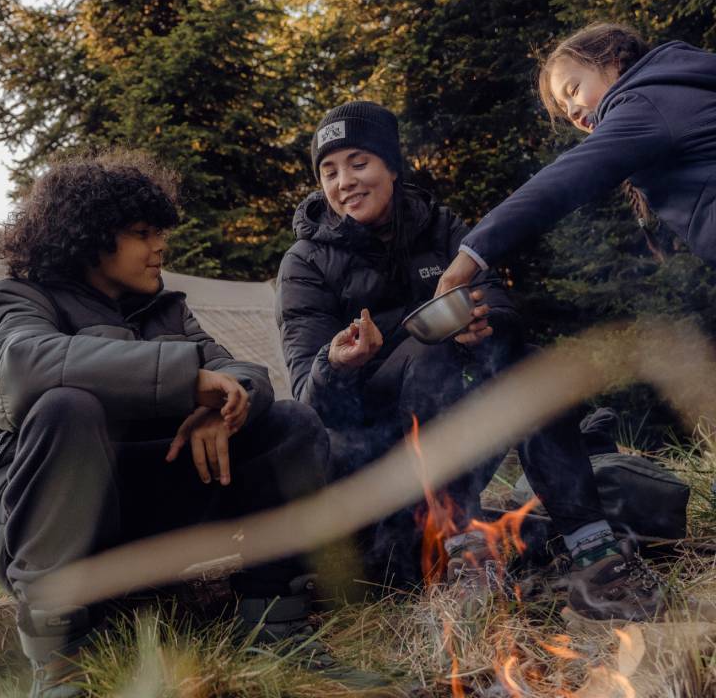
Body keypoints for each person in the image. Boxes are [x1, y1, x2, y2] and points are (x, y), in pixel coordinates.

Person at [0, 152, 384, 696]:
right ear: (88, 237)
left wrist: (221, 409)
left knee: (292, 424)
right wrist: (188, 381)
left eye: (159, 231)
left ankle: (276, 627)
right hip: (42, 518)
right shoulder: (18, 298)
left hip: (146, 503)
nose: (159, 246)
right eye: (141, 233)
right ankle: (59, 665)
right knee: (67, 406)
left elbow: (242, 373)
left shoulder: (165, 309)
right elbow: (24, 366)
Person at [276, 100, 665, 619]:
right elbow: (307, 395)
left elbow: (497, 304)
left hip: (457, 437)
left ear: (392, 165)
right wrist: (339, 362)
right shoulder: (305, 262)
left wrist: (486, 324)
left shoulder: (441, 227)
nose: (344, 181)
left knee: (525, 362)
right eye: (329, 171)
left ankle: (593, 549)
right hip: (374, 458)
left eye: (358, 162)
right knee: (431, 352)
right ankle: (466, 554)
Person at [437, 23, 716, 293]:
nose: (571, 113)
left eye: (573, 91)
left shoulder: (645, 104)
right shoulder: (671, 86)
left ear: (612, 60)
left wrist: (470, 254)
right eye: (564, 108)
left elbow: (563, 180)